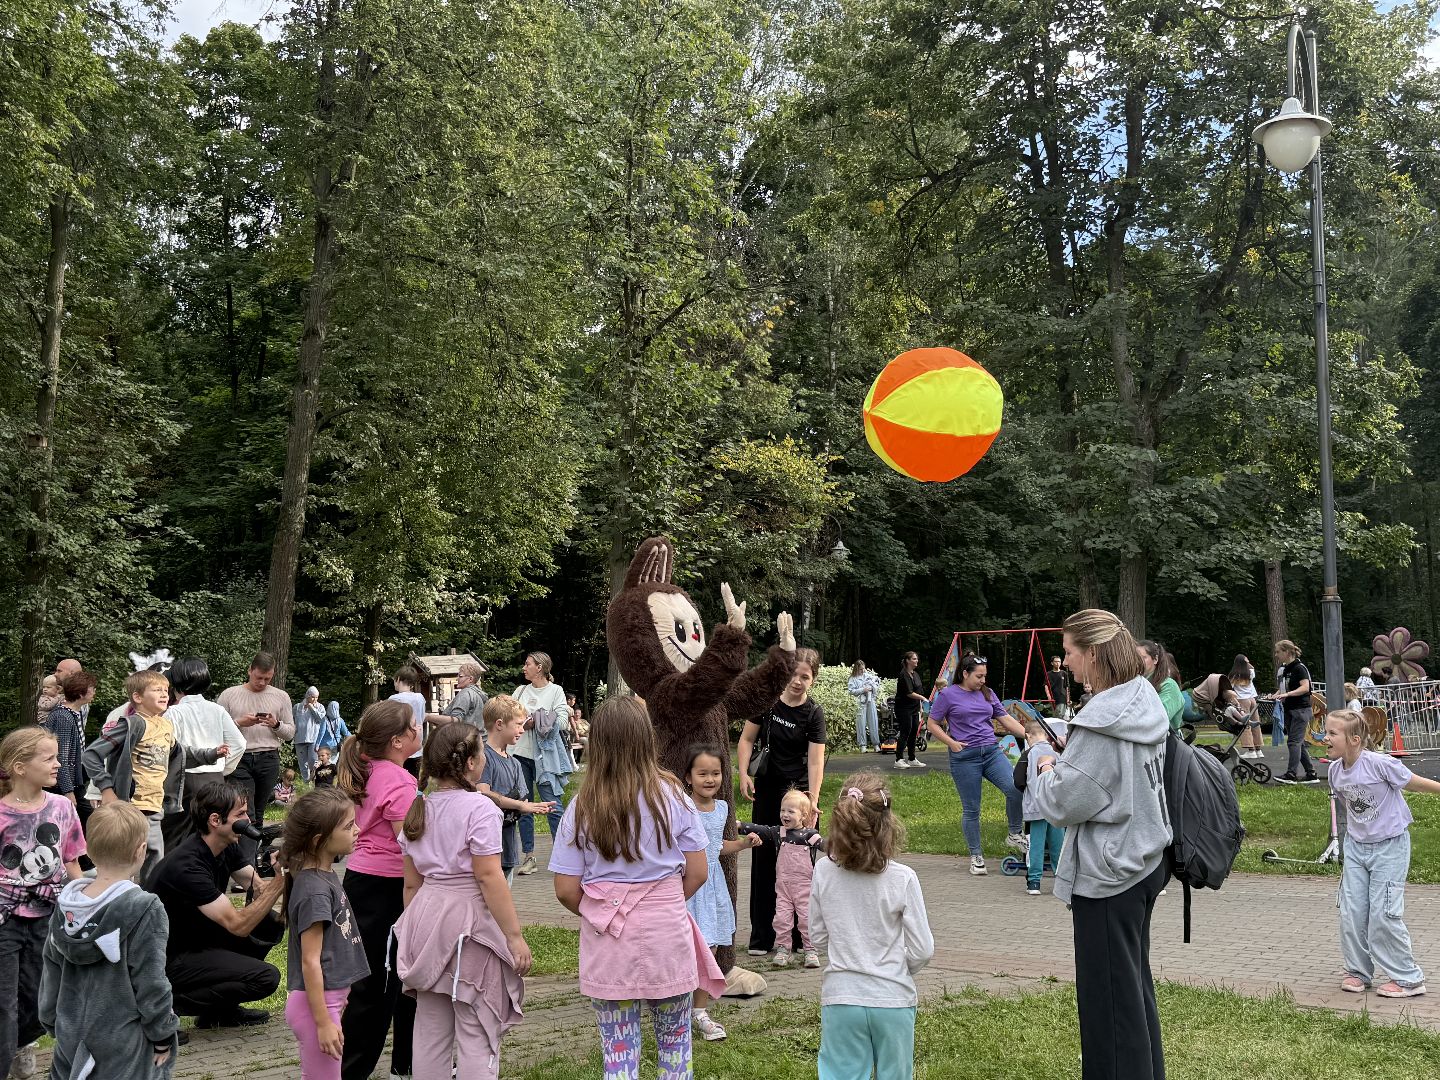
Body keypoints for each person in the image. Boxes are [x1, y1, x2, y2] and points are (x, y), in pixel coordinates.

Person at [1027, 609, 1171, 1080]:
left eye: (1069, 652)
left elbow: (1066, 803)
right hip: (1144, 861)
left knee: (1109, 1007)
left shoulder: (1101, 721)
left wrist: (1045, 762)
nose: (1065, 662)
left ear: (1092, 653)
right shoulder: (1141, 701)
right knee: (1132, 995)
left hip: (1109, 874)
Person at [549, 696, 725, 1080]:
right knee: (676, 1043)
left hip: (608, 940)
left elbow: (565, 889)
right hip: (667, 935)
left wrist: (606, 907)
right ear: (647, 739)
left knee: (618, 1053)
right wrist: (661, 902)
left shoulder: (581, 806)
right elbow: (697, 871)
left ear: (598, 744)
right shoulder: (676, 797)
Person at [396, 724, 531, 1080]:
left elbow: (411, 885)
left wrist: (416, 931)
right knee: (476, 1026)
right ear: (471, 763)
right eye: (482, 753)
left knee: (429, 1030)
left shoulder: (418, 808)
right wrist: (513, 936)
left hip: (425, 917)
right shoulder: (480, 809)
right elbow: (489, 877)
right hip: (466, 923)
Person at [40, 801, 179, 1080]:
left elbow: (50, 971)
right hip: (124, 1043)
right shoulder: (144, 908)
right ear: (141, 851)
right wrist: (163, 1033)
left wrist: (52, 1021)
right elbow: (151, 981)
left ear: (88, 850)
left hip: (72, 1039)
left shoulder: (66, 908)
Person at [811, 772, 933, 1080]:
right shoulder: (903, 877)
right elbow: (922, 948)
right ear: (887, 824)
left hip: (841, 995)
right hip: (892, 997)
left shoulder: (824, 871)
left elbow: (818, 935)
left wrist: (846, 954)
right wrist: (894, 967)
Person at [148, 779, 284, 1028]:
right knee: (266, 978)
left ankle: (221, 1012)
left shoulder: (224, 843)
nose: (248, 820)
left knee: (269, 924)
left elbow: (259, 887)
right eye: (241, 814)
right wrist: (279, 885)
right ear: (215, 820)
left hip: (198, 939)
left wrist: (282, 868)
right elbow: (238, 925)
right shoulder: (188, 866)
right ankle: (161, 1005)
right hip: (168, 958)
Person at [1324, 708, 1440, 998]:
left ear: (1353, 739)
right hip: (1356, 848)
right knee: (1352, 911)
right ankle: (1358, 971)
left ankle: (1408, 979)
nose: (1324, 737)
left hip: (1390, 846)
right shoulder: (1335, 771)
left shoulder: (1379, 764)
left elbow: (1411, 781)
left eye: (1332, 733)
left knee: (1383, 912)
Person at [336, 700, 420, 1080]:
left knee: (387, 979)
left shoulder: (364, 768)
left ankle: (406, 1062)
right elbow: (410, 841)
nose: (420, 731)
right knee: (382, 984)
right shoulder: (399, 780)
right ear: (398, 740)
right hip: (387, 887)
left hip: (359, 879)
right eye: (414, 727)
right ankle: (352, 1071)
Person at [84, 669, 226, 885]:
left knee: (154, 857)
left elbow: (180, 754)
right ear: (138, 697)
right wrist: (107, 789)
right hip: (130, 807)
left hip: (154, 807)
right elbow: (91, 754)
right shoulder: (132, 724)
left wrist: (211, 754)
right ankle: (112, 896)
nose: (164, 695)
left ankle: (149, 903)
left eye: (166, 690)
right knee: (126, 859)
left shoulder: (165, 725)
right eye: (157, 690)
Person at [0, 728, 85, 1080]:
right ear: (20, 767)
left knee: (40, 1003)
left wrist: (86, 906)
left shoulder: (62, 807)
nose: (58, 765)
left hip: (47, 918)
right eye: (48, 758)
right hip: (4, 921)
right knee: (3, 1007)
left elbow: (72, 863)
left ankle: (19, 1042)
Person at [737, 647, 826, 957]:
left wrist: (812, 799)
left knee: (803, 868)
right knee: (764, 860)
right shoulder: (768, 702)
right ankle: (762, 936)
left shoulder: (813, 713)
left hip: (798, 798)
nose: (797, 681)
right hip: (767, 793)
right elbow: (747, 739)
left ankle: (803, 940)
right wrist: (743, 774)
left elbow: (815, 761)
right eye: (793, 674)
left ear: (813, 680)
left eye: (805, 677)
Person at [279, 787, 367, 1080]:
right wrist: (323, 1022)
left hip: (325, 1002)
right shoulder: (315, 890)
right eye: (348, 826)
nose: (358, 829)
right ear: (319, 840)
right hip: (316, 1007)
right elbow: (310, 962)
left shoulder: (321, 874)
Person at [682, 744, 762, 1042]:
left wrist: (742, 844)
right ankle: (675, 1008)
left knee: (710, 950)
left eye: (715, 773)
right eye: (702, 773)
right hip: (689, 885)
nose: (709, 779)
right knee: (685, 950)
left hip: (713, 887)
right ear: (688, 777)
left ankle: (700, 1011)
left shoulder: (723, 809)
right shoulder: (681, 807)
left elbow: (716, 847)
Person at [926, 653, 1027, 876]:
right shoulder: (948, 695)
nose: (983, 680)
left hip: (991, 752)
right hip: (964, 757)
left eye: (984, 676)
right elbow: (932, 723)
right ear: (964, 674)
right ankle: (976, 855)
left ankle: (1014, 833)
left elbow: (1006, 720)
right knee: (972, 809)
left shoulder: (988, 693)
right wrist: (951, 743)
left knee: (1015, 788)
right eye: (979, 676)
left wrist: (1031, 736)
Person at [216, 652, 296, 864]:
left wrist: (276, 724)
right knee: (245, 810)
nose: (261, 682)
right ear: (249, 670)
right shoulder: (229, 695)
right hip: (239, 758)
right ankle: (245, 866)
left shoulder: (281, 696)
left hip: (269, 757)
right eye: (258, 677)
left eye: (267, 679)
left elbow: (290, 733)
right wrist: (240, 722)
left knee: (258, 812)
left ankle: (249, 862)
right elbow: (216, 730)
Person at [164, 657, 246, 850]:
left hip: (184, 784)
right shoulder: (217, 710)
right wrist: (223, 769)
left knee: (177, 839)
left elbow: (168, 750)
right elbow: (240, 743)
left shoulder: (173, 713)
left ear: (175, 683)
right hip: (215, 781)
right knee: (213, 839)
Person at [744, 789, 825, 969]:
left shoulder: (810, 835)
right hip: (783, 888)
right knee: (781, 919)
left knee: (806, 919)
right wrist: (740, 825)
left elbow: (826, 846)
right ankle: (783, 950)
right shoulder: (779, 833)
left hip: (805, 888)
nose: (785, 815)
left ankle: (810, 950)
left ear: (804, 815)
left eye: (790, 811)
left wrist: (841, 848)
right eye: (783, 810)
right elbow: (761, 830)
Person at [479, 696, 552, 883]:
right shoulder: (483, 758)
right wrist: (521, 806)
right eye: (518, 724)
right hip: (487, 850)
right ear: (500, 724)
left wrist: (532, 806)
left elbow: (522, 800)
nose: (522, 730)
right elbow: (483, 793)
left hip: (508, 849)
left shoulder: (515, 763)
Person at [511, 652, 571, 875]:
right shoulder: (520, 691)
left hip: (545, 759)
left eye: (527, 664)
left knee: (552, 805)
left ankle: (563, 857)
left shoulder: (556, 691)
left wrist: (535, 719)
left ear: (540, 668)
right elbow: (510, 717)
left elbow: (563, 722)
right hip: (519, 755)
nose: (523, 668)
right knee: (524, 806)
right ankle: (529, 857)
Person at [1021, 717, 1066, 896]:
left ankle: (1034, 882)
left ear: (1027, 736)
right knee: (1059, 845)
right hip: (1055, 808)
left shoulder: (1032, 753)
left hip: (1036, 807)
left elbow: (1032, 780)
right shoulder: (1057, 752)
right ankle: (1062, 880)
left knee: (1036, 846)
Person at [43, 671, 96, 805]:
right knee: (87, 819)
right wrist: (68, 791)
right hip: (62, 785)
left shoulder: (73, 713)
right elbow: (61, 757)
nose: (94, 691)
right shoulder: (63, 717)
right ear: (80, 694)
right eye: (92, 689)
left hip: (73, 782)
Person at [1273, 639, 1320, 785]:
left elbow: (1305, 688)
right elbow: (1284, 688)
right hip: (1289, 709)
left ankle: (1291, 774)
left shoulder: (1299, 668)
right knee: (1297, 743)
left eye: (1278, 652)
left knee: (1293, 742)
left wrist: (1287, 695)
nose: (1276, 655)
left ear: (1287, 652)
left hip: (1301, 709)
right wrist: (1275, 695)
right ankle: (1311, 773)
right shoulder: (1284, 669)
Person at [1137, 641, 1184, 733]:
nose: (1138, 662)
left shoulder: (1169, 686)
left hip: (1166, 744)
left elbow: (1158, 720)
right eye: (1135, 658)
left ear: (1155, 659)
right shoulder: (1134, 683)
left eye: (1143, 658)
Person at [892, 652, 926, 769]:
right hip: (903, 708)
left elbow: (918, 692)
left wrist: (921, 707)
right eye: (914, 659)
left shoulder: (915, 674)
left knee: (913, 733)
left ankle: (912, 758)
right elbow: (909, 693)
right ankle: (899, 759)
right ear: (907, 661)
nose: (916, 661)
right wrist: (923, 698)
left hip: (914, 707)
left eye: (917, 659)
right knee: (905, 731)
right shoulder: (903, 675)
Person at [1230, 656, 1263, 759]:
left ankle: (1251, 750)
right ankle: (1258, 750)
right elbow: (1251, 666)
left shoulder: (1235, 674)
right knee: (1255, 723)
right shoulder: (1250, 673)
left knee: (1245, 724)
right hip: (1252, 699)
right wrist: (1247, 662)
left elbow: (1229, 687)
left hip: (1242, 700)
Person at [847, 661, 882, 753]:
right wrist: (863, 689)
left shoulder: (868, 676)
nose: (863, 670)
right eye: (860, 669)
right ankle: (863, 745)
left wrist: (872, 687)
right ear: (856, 669)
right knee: (861, 724)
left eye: (863, 668)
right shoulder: (852, 678)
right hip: (860, 702)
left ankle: (876, 744)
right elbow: (851, 691)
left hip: (870, 700)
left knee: (873, 721)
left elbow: (876, 683)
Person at [294, 687, 326, 782]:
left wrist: (312, 708)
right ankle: (306, 781)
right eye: (313, 697)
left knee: (313, 761)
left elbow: (320, 718)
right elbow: (292, 719)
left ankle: (314, 778)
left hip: (313, 738)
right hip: (299, 738)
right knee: (302, 762)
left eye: (317, 697)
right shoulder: (298, 706)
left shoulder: (320, 707)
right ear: (308, 696)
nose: (315, 699)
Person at [443, 662, 489, 728]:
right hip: (479, 736)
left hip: (466, 737)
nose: (457, 679)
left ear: (470, 679)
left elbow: (455, 720)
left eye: (460, 676)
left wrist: (429, 717)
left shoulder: (465, 693)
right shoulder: (478, 694)